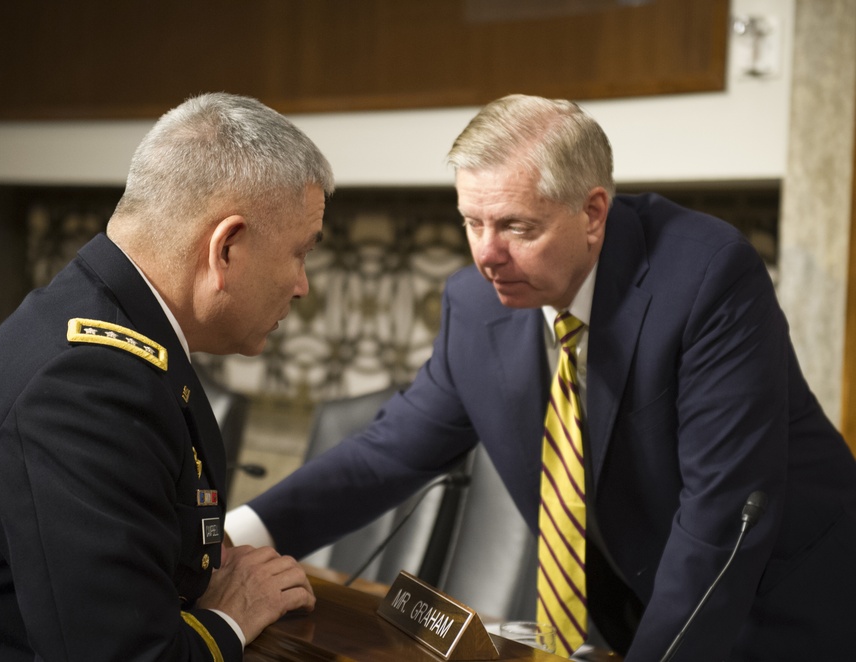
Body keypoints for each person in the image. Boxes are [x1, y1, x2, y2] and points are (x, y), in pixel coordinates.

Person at [226, 94, 856, 661]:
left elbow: (723, 513)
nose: (486, 254)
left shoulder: (707, 279)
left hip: (780, 610)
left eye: (515, 227)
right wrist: (233, 538)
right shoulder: (474, 307)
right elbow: (383, 456)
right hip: (640, 616)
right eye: (472, 221)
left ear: (592, 213)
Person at [0, 92, 334, 661]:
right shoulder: (86, 384)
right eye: (300, 253)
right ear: (227, 248)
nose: (301, 285)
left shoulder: (99, 331)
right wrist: (230, 615)